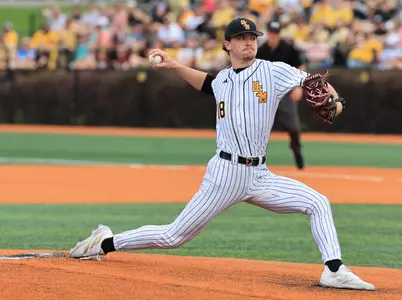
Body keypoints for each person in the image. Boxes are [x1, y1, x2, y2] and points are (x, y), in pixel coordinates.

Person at [68, 17, 375, 291]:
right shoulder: (223, 80)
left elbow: (313, 82)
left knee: (317, 202)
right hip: (225, 175)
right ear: (228, 45)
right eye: (242, 39)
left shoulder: (272, 72)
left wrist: (335, 100)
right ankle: (105, 242)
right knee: (174, 236)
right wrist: (174, 65)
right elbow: (207, 84)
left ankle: (334, 269)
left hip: (260, 176)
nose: (249, 44)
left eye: (253, 39)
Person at [256, 20, 306, 170]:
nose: (274, 36)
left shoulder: (288, 49)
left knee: (293, 127)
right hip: (266, 94)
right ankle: (256, 159)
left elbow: (300, 67)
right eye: (272, 33)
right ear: (268, 33)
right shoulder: (262, 50)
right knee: (259, 127)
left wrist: (299, 87)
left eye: (276, 33)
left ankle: (297, 154)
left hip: (285, 91)